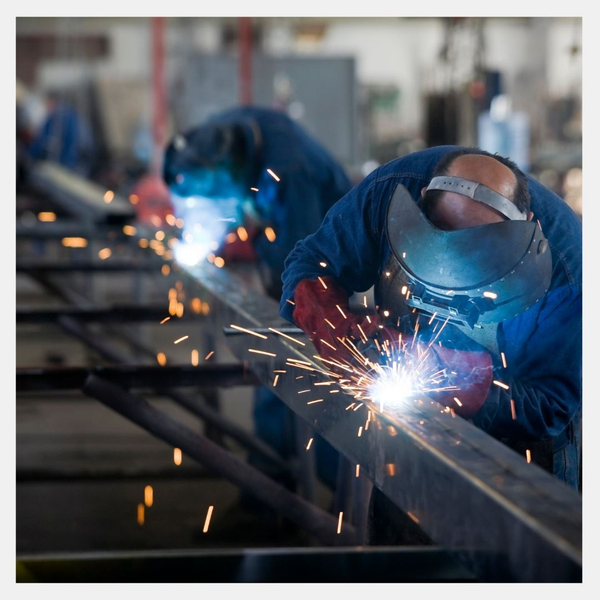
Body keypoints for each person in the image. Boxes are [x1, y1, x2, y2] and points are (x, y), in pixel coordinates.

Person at [279, 145, 582, 543]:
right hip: (408, 438)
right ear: (420, 207)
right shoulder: (389, 193)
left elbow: (550, 404)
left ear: (528, 227)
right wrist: (335, 331)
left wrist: (451, 377)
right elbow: (312, 263)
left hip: (523, 458)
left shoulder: (570, 269)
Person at [163, 105, 353, 490]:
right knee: (277, 360)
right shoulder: (221, 132)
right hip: (286, 239)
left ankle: (330, 491)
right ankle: (275, 481)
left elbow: (304, 271)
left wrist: (288, 310)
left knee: (292, 358)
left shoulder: (289, 176)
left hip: (326, 260)